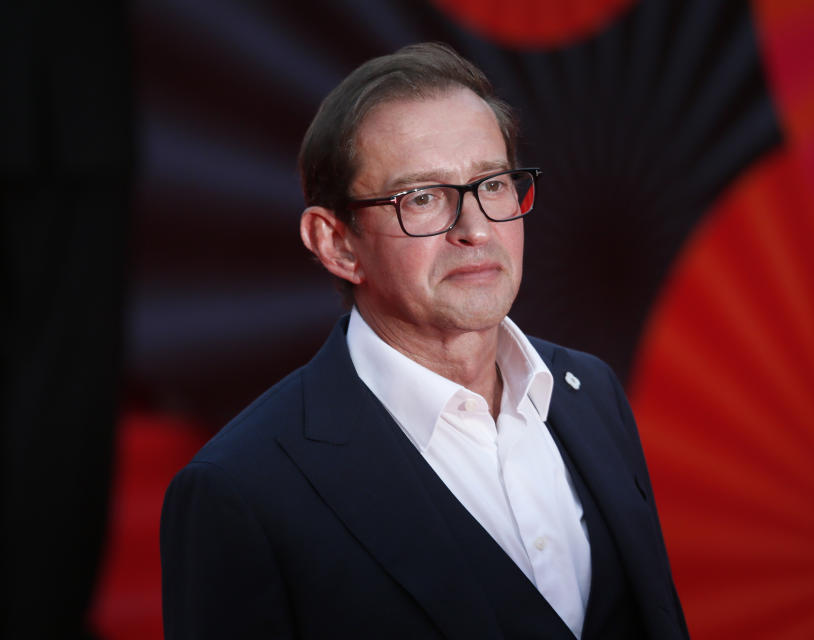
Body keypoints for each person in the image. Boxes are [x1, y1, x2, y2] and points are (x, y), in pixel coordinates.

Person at [160, 42, 688, 640]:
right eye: (422, 198)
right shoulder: (240, 491)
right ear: (336, 243)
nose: (476, 229)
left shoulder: (590, 393)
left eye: (492, 184)